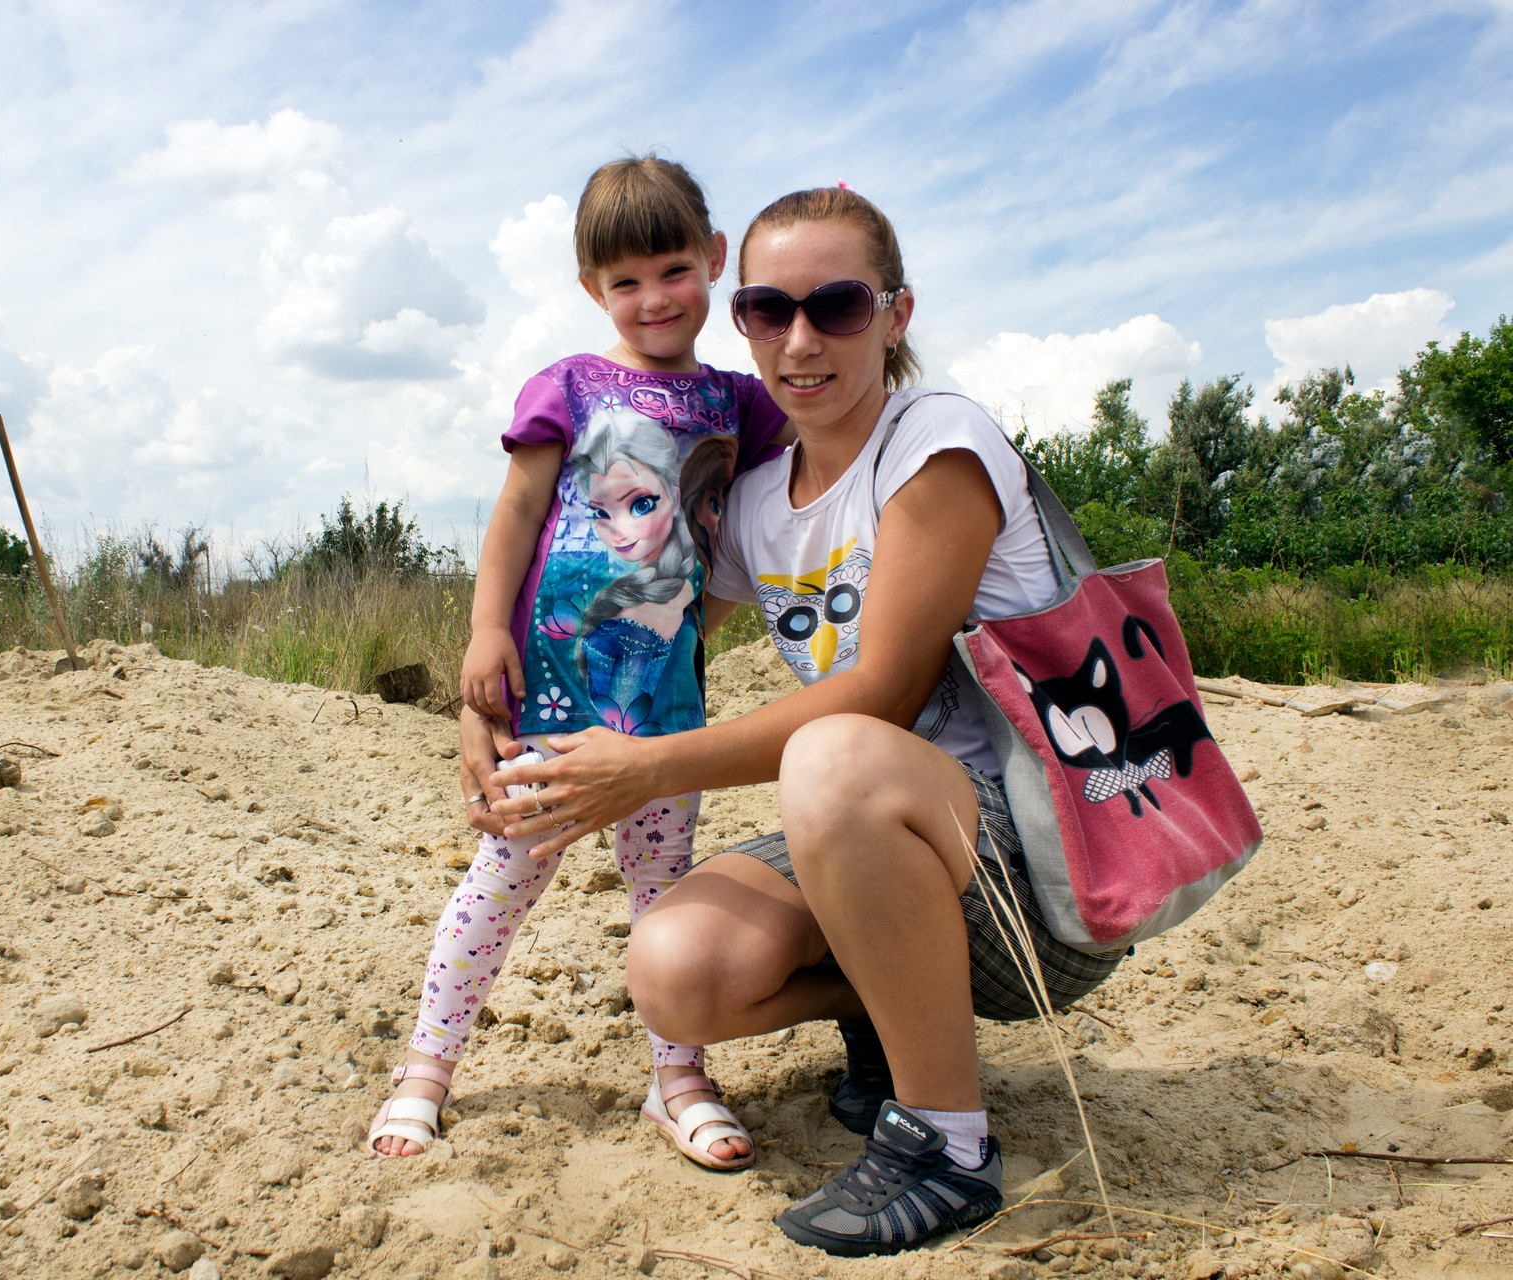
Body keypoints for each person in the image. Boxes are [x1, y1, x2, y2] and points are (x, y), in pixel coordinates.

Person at [462, 186, 1125, 1255]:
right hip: (886, 848)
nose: (801, 338)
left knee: (837, 753)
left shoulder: (935, 443)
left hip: (1043, 877)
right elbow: (655, 621)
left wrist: (648, 769)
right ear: (743, 316)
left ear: (896, 313)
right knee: (673, 969)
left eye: (839, 306)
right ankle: (890, 1010)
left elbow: (883, 695)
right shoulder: (761, 496)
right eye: (770, 309)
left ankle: (946, 1144)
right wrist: (489, 708)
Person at [367, 154, 789, 1169]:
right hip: (552, 703)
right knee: (502, 879)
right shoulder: (568, 385)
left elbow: (750, 536)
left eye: (675, 270)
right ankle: (427, 1066)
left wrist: (699, 629)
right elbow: (517, 511)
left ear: (715, 260)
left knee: (664, 894)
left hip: (666, 715)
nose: (653, 298)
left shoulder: (741, 405)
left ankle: (676, 1076)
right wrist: (485, 633)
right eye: (625, 281)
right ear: (590, 287)